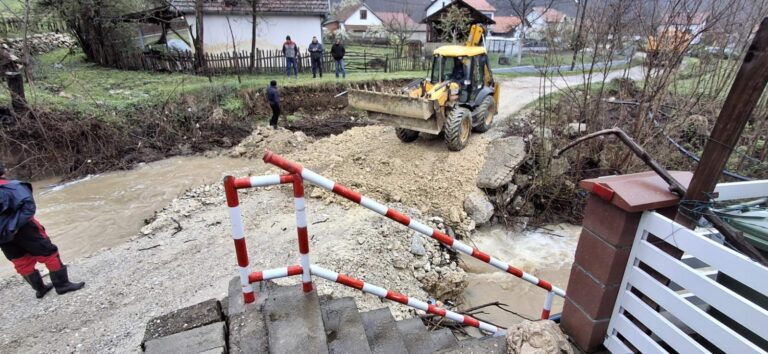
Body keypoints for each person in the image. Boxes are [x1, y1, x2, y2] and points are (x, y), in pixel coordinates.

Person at [0, 163, 85, 298]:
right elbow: (28, 208)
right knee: (49, 253)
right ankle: (62, 285)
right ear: (3, 171)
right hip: (24, 229)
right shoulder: (14, 186)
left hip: (3, 236)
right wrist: (13, 227)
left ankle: (40, 289)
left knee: (20, 261)